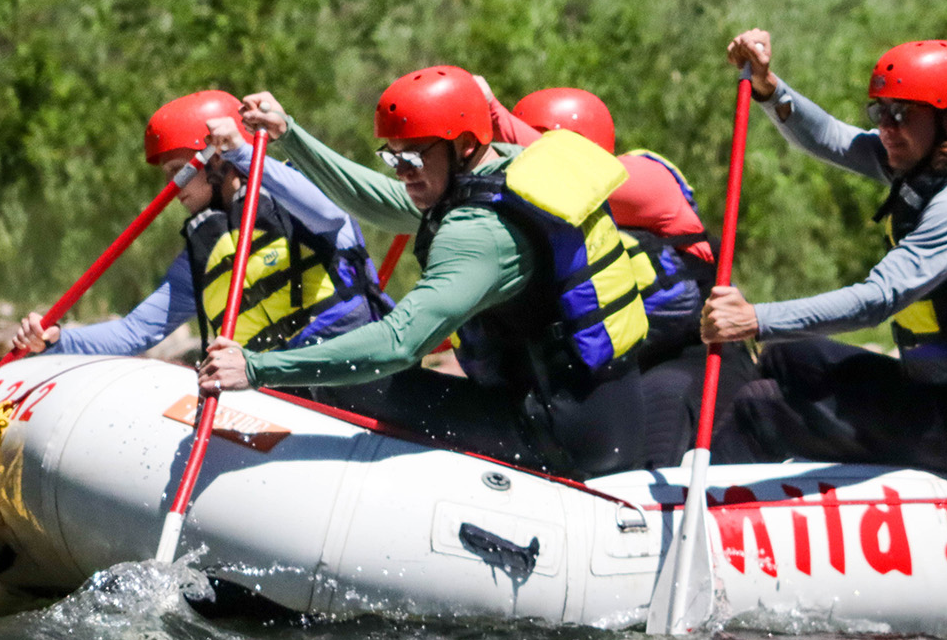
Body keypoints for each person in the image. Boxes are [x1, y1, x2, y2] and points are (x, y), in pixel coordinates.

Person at [195, 66, 651, 477]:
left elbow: (398, 343)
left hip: (558, 438)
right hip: (597, 421)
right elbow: (376, 198)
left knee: (342, 383)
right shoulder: (506, 171)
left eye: (412, 159)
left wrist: (256, 368)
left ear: (465, 145)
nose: (403, 173)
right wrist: (289, 135)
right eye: (393, 159)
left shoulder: (480, 233)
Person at [703, 30, 947, 492]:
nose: (885, 128)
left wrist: (754, 318)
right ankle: (710, 469)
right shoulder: (931, 157)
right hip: (943, 393)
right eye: (880, 112)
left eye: (901, 115)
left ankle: (696, 517)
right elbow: (836, 139)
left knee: (762, 407)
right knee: (787, 358)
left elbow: (878, 299)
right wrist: (769, 88)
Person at [483, 84, 756, 467]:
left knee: (659, 406)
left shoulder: (652, 185)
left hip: (698, 359)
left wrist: (494, 117)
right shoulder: (526, 224)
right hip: (610, 378)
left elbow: (573, 171)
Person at [12, 90, 392, 360]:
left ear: (217, 160)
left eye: (179, 171)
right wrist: (55, 341)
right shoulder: (204, 254)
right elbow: (134, 333)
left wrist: (244, 153)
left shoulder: (293, 192)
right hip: (286, 390)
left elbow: (330, 214)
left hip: (357, 367)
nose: (171, 187)